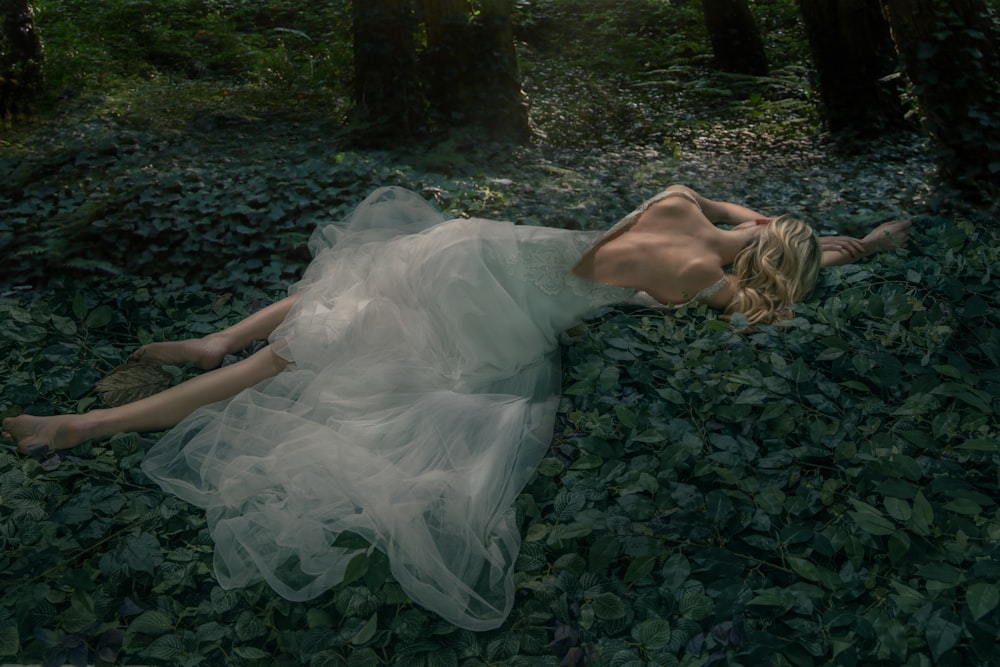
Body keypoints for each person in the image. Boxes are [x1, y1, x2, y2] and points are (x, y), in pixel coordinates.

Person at [2, 185, 909, 630]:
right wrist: (853, 251)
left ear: (754, 225)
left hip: (481, 249)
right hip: (498, 311)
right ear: (758, 255)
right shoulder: (705, 278)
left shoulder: (677, 199)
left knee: (348, 292)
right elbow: (764, 290)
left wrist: (794, 230)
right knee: (294, 361)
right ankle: (84, 425)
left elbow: (743, 220)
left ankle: (207, 342)